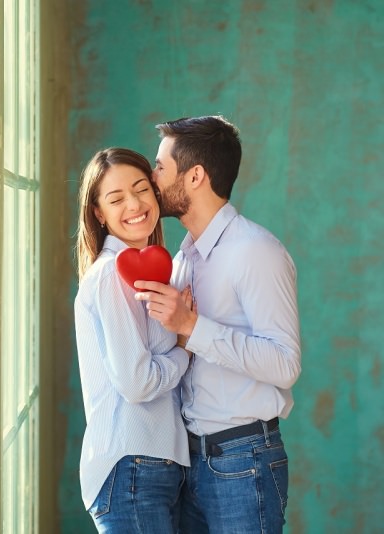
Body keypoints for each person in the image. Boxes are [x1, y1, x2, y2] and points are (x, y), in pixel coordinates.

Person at [134, 115, 301, 533]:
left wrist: (193, 325)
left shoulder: (255, 251)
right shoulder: (182, 259)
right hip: (192, 461)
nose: (151, 178)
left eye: (160, 167)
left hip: (245, 463)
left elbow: (286, 364)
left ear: (194, 176)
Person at [74, 147, 192, 534]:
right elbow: (136, 383)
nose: (134, 204)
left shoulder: (158, 271)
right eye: (116, 198)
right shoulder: (110, 274)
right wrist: (185, 349)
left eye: (141, 188)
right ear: (98, 212)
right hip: (132, 468)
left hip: (151, 466)